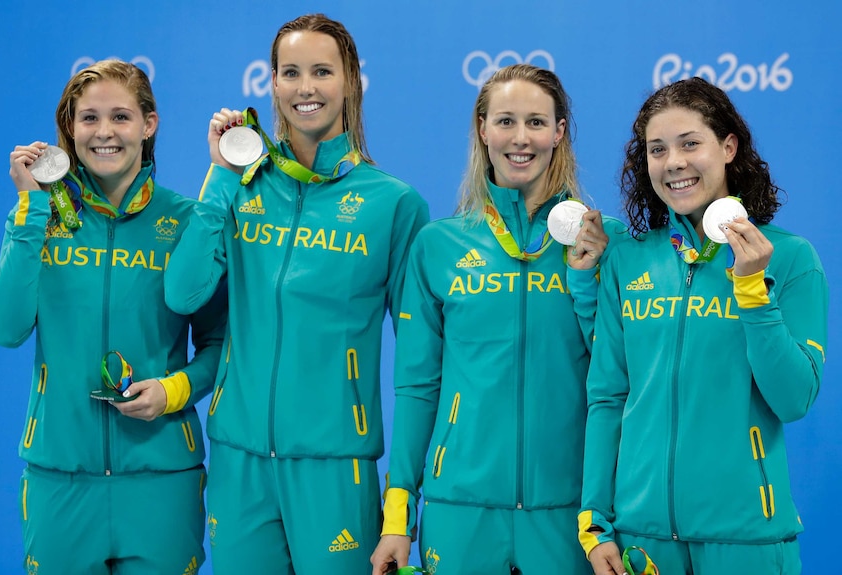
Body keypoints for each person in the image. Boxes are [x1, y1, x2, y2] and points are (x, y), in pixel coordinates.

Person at [163, 13, 429, 575]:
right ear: (273, 83)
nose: (305, 88)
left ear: (351, 80)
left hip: (336, 467)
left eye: (322, 71)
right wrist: (220, 177)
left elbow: (420, 364)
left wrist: (401, 500)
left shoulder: (394, 204)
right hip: (239, 462)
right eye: (290, 72)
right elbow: (184, 294)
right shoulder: (242, 187)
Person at [370, 63, 623, 575]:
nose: (520, 138)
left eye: (536, 122)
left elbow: (620, 375)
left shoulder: (605, 243)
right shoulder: (438, 245)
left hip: (569, 514)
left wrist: (585, 280)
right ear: (482, 129)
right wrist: (397, 517)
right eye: (505, 121)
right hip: (459, 507)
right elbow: (418, 386)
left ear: (559, 132)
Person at [0, 59, 226, 575]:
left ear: (149, 124)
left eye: (120, 116)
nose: (104, 132)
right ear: (70, 129)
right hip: (60, 479)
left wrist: (174, 391)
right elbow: (4, 329)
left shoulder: (186, 219)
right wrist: (28, 208)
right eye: (88, 118)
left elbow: (220, 345)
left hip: (161, 477)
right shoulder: (36, 218)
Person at [578, 77, 828, 575]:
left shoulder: (791, 257)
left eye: (690, 143)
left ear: (729, 146)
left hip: (747, 540)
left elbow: (794, 399)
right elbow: (608, 396)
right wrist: (594, 519)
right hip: (641, 543)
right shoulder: (628, 258)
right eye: (657, 149)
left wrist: (753, 290)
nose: (674, 162)